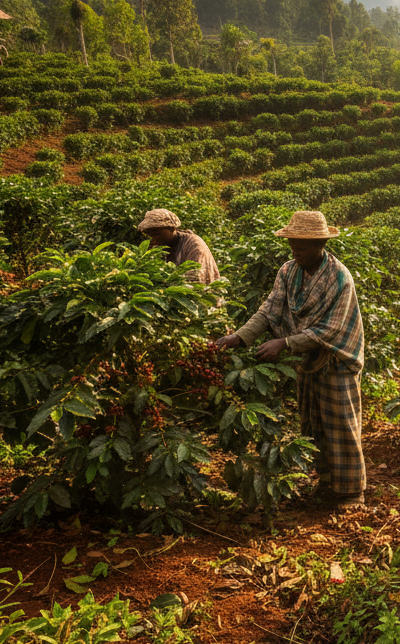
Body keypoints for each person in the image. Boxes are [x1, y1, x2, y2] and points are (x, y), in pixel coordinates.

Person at [215, 211, 366, 512]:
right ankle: (327, 482)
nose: (296, 252)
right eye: (293, 245)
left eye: (303, 247)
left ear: (321, 244)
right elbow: (269, 310)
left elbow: (331, 329)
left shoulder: (339, 277)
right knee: (313, 421)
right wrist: (240, 337)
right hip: (306, 358)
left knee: (340, 423)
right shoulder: (287, 271)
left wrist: (284, 343)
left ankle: (351, 491)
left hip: (336, 358)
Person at [137, 208, 220, 285]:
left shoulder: (194, 245)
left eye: (156, 233)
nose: (153, 238)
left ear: (171, 228)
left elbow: (195, 278)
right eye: (150, 234)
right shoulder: (162, 245)